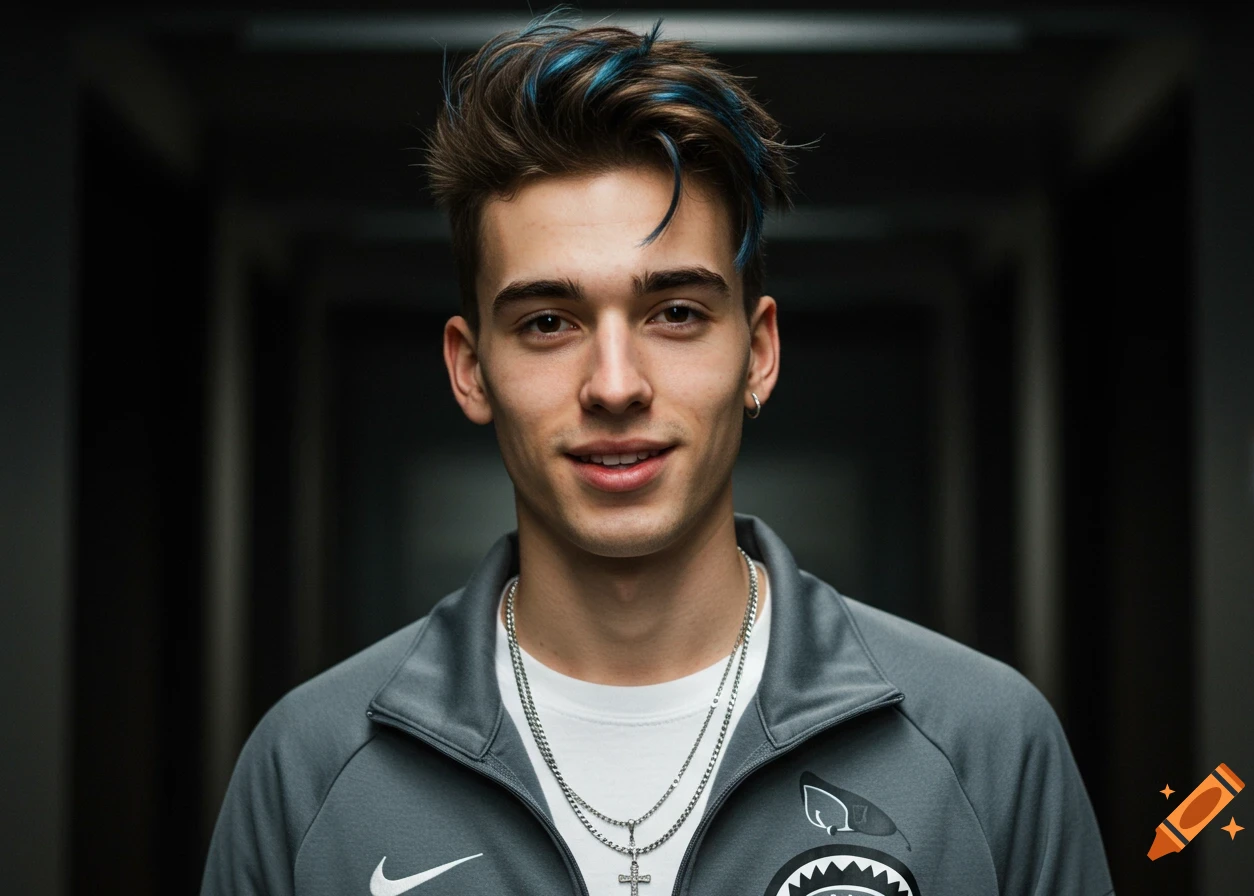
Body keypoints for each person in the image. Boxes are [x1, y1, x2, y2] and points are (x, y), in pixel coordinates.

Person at [201, 12, 1114, 896]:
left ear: (758, 352)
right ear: (470, 370)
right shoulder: (310, 771)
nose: (615, 383)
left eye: (675, 312)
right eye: (548, 322)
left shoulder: (985, 747)